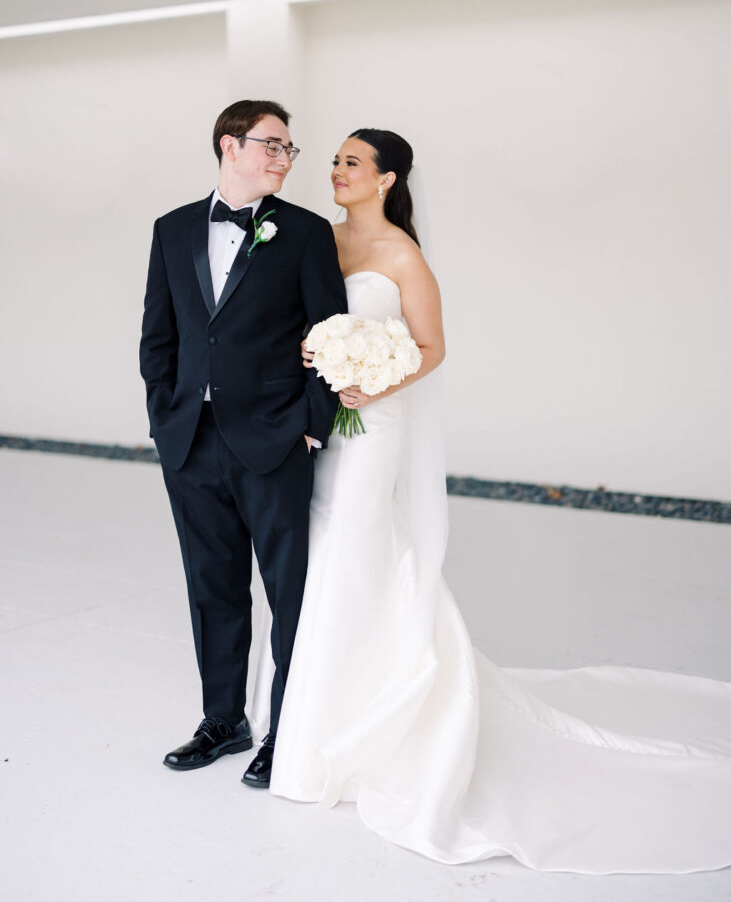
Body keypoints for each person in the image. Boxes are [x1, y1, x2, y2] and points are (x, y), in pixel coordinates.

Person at [263, 128, 731, 873]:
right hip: (317, 426)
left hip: (371, 421)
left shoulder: (403, 256)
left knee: (355, 552)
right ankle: (303, 720)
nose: (336, 170)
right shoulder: (317, 242)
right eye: (335, 161)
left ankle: (356, 728)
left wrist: (370, 378)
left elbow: (430, 346)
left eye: (352, 162)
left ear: (386, 179)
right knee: (318, 559)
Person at [139, 99, 347, 788]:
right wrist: (165, 417)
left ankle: (287, 729)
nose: (285, 159)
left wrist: (310, 422)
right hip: (190, 443)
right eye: (273, 145)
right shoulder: (170, 230)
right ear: (230, 146)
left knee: (289, 592)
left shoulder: (306, 233)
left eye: (289, 149)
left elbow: (330, 336)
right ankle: (224, 720)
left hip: (274, 439)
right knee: (212, 588)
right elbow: (158, 339)